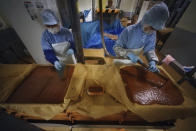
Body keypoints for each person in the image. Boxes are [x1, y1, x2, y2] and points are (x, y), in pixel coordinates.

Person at [113, 2, 169, 72]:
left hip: (134, 62)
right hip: (121, 59)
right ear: (146, 21)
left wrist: (152, 61)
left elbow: (150, 49)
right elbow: (116, 48)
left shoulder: (152, 33)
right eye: (151, 27)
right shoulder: (129, 31)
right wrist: (128, 54)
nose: (152, 31)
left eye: (155, 29)